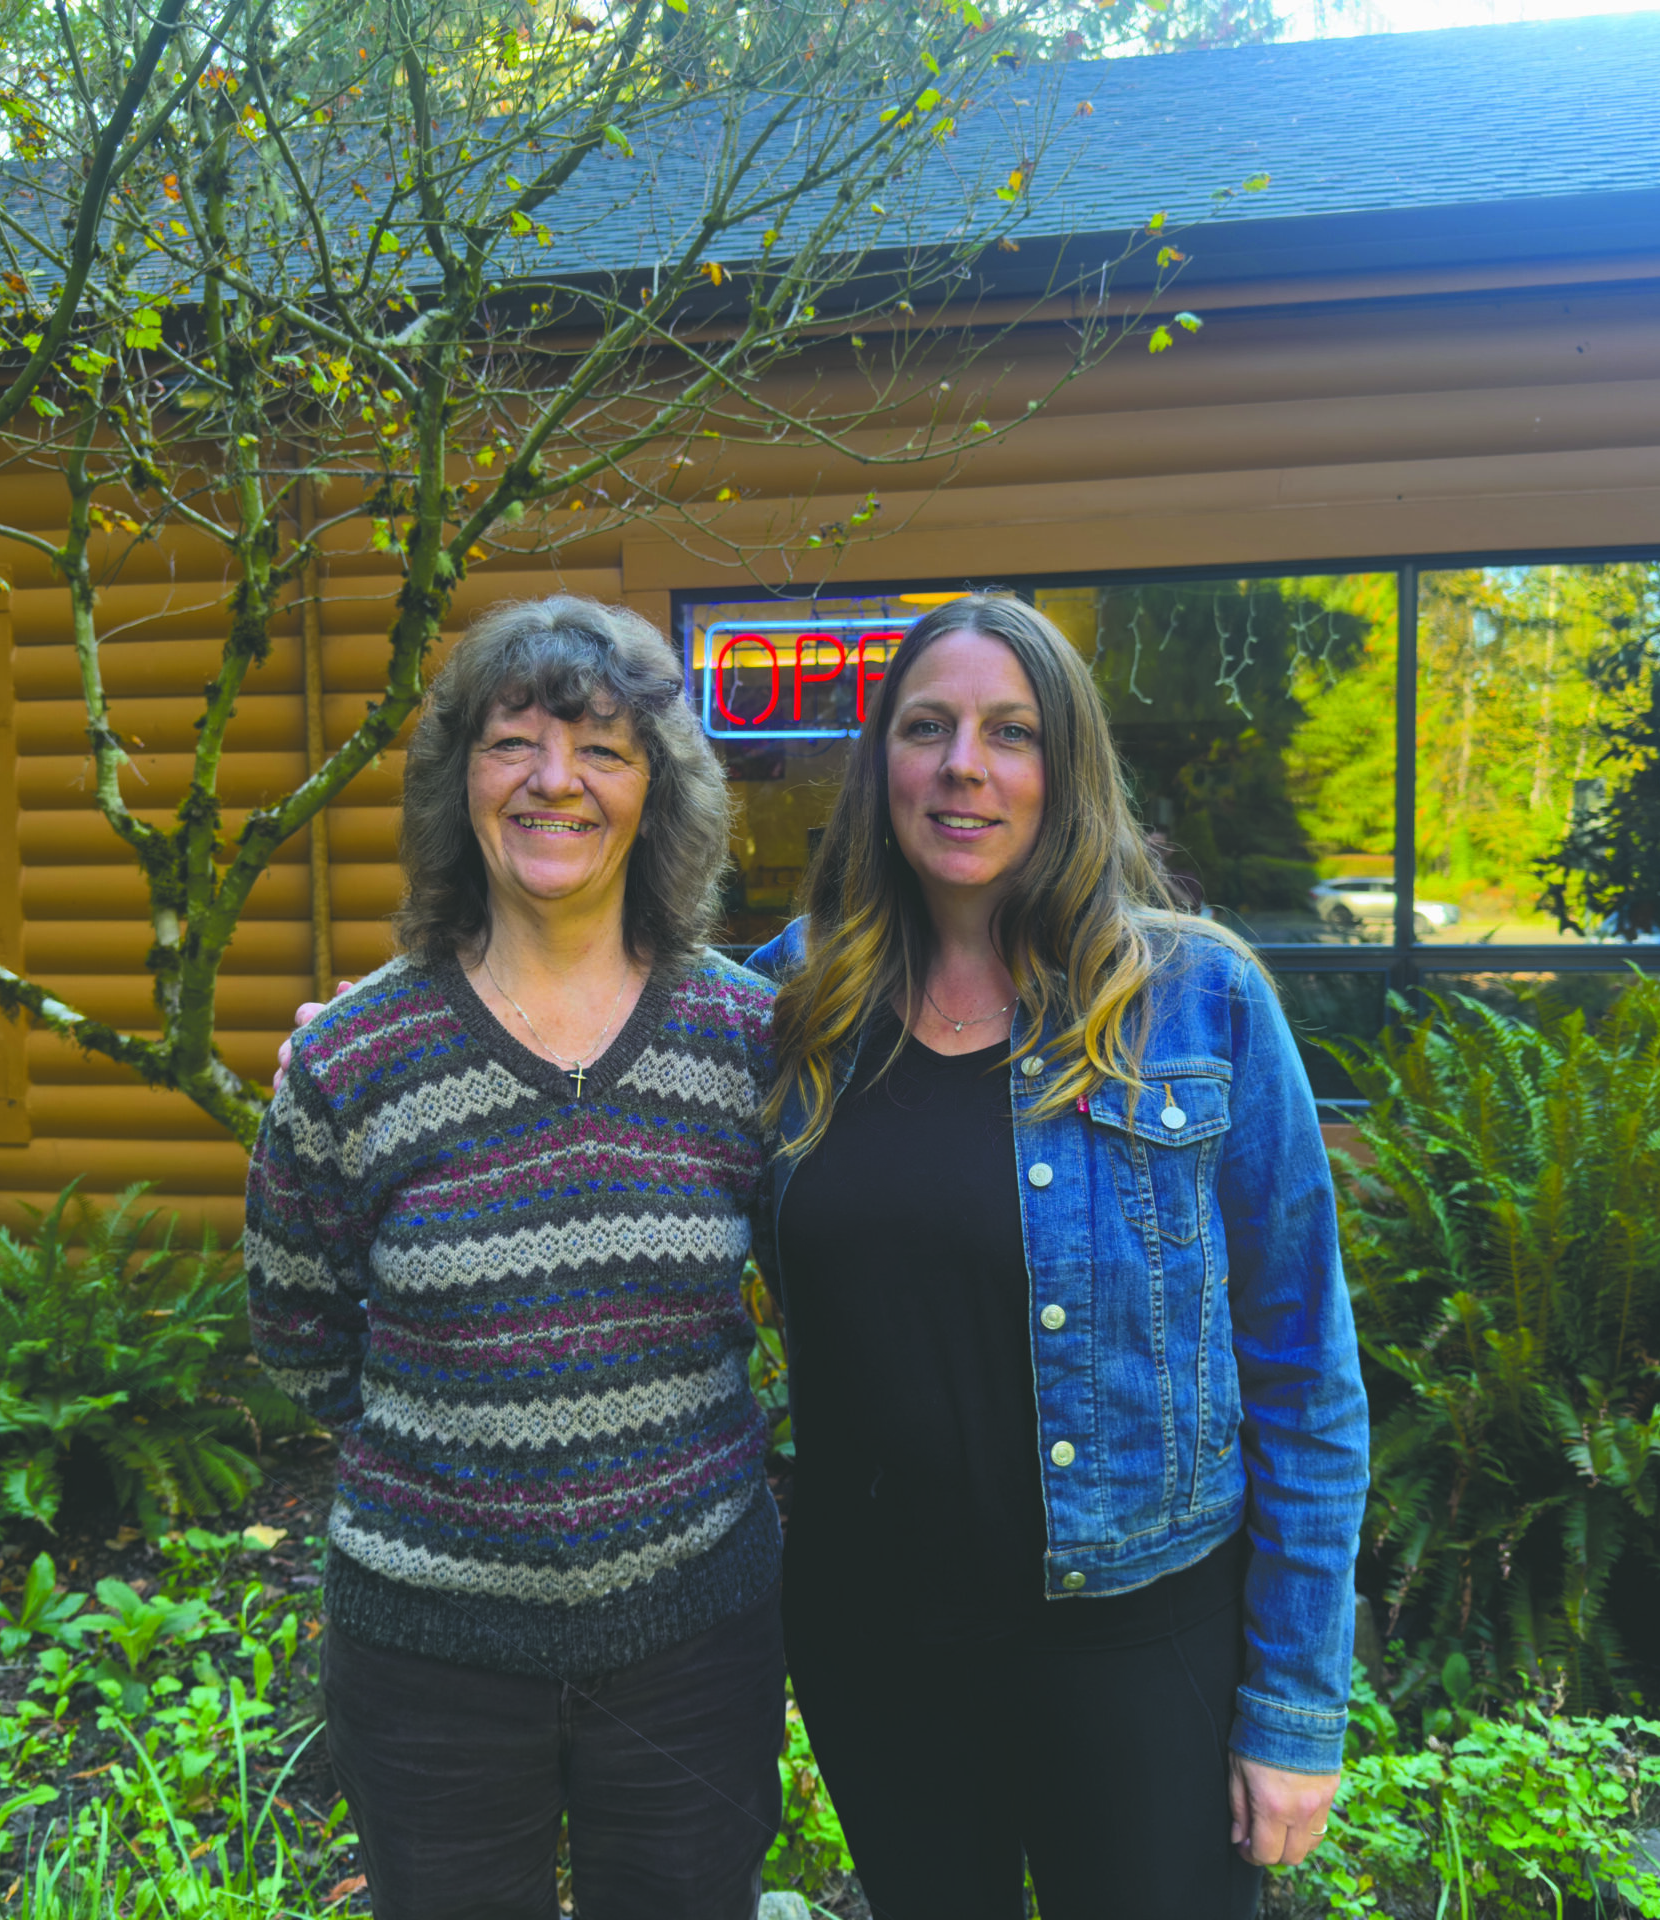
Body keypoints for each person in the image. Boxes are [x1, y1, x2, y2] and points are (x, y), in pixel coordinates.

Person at [745, 592, 1369, 1920]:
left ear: (1066, 767)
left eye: (1009, 731)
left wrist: (1297, 1708)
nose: (964, 763)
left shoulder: (1199, 1001)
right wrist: (385, 1024)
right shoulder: (794, 1004)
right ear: (883, 770)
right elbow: (597, 1039)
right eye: (927, 728)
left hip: (1138, 1637)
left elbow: (1305, 1376)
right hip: (879, 1645)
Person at [246, 596, 785, 1920]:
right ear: (459, 783)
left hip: (694, 1645)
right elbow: (299, 1337)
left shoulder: (753, 1045)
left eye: (602, 748)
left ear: (658, 792)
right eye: (515, 743)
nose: (556, 780)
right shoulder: (349, 1059)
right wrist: (466, 1465)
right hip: (428, 1661)